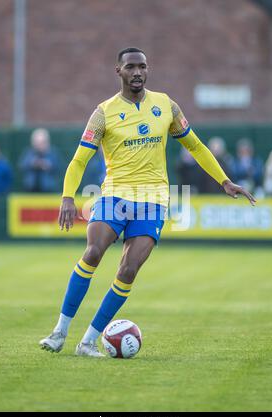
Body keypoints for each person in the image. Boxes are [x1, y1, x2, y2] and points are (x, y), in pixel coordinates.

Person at [39, 47, 256, 357]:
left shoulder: (166, 105)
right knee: (93, 251)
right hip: (114, 195)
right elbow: (78, 160)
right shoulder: (103, 112)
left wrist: (224, 180)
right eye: (130, 67)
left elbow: (195, 146)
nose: (137, 72)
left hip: (153, 200)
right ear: (119, 71)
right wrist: (67, 196)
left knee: (128, 270)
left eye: (142, 66)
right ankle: (59, 331)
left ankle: (87, 341)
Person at [19, 128, 62, 192]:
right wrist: (34, 163)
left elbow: (59, 167)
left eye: (42, 142)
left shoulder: (53, 153)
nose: (40, 145)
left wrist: (48, 165)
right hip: (30, 190)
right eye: (37, 142)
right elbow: (22, 165)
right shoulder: (29, 153)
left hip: (49, 190)